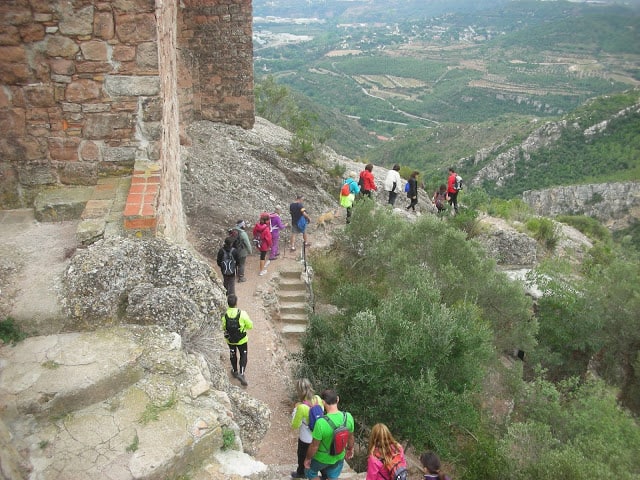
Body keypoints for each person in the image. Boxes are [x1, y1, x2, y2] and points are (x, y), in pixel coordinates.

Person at [304, 389, 355, 480]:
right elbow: (350, 437)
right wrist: (350, 449)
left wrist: (308, 459)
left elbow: (314, 446)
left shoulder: (321, 423)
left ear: (323, 402)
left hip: (321, 458)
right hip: (339, 455)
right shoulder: (348, 417)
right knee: (333, 476)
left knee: (310, 472)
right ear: (337, 399)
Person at [290, 378, 324, 479]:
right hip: (318, 435)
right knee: (317, 456)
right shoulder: (318, 399)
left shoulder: (301, 407)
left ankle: (301, 473)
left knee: (302, 456)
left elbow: (295, 425)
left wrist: (295, 410)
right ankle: (323, 474)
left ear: (299, 391)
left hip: (306, 438)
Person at [221, 293, 253, 386]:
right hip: (242, 339)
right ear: (236, 303)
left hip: (230, 340)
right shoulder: (242, 313)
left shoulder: (224, 314)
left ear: (227, 303)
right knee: (243, 354)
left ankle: (235, 371)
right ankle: (242, 373)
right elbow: (250, 326)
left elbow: (223, 327)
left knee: (232, 353)